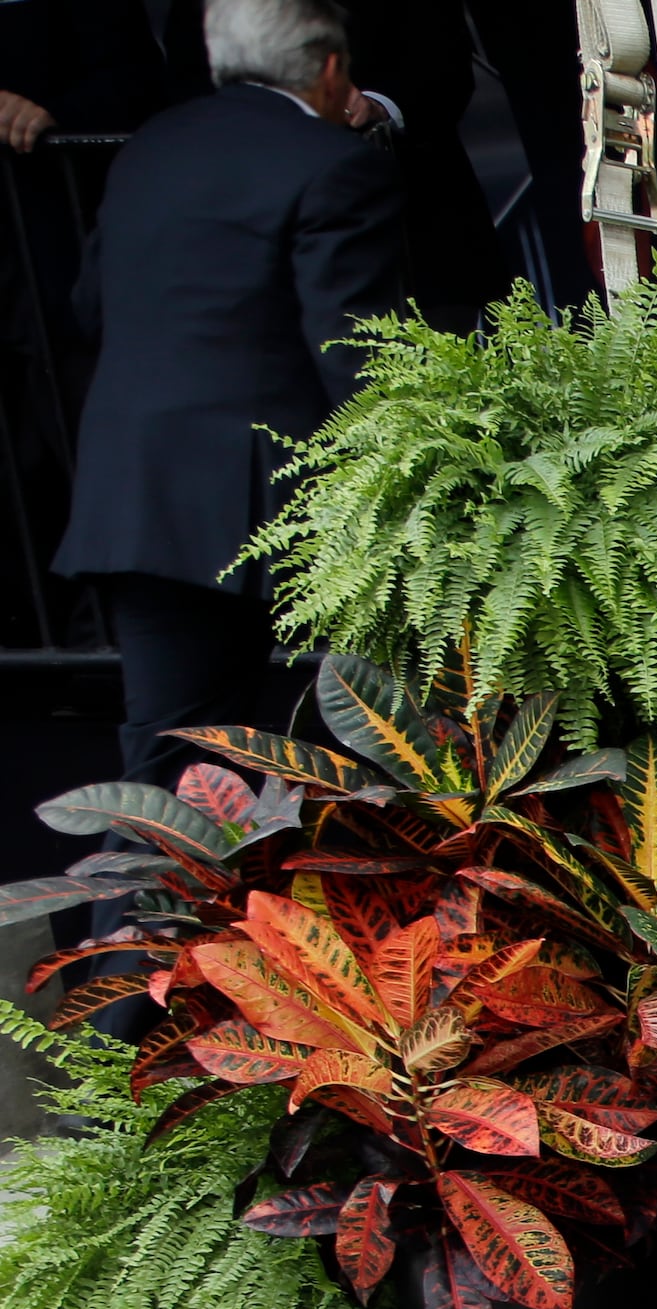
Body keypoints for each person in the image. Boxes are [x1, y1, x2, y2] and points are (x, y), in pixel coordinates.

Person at [54, 0, 400, 784]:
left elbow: (87, 306)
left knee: (167, 747)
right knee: (337, 743)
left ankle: (135, 912)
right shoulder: (336, 161)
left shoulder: (150, 147)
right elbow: (356, 353)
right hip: (263, 495)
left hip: (135, 485)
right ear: (331, 69)